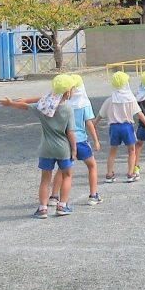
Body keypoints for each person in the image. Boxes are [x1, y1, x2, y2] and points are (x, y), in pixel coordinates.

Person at [0, 74, 77, 219]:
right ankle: (62, 205)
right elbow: (71, 132)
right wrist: (74, 149)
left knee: (45, 179)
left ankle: (42, 208)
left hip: (46, 148)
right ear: (68, 92)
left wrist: (10, 103)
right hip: (63, 148)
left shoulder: (43, 107)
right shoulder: (68, 109)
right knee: (67, 175)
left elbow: (26, 106)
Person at [51, 74, 102, 207]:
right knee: (92, 166)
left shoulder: (64, 102)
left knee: (62, 169)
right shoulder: (84, 103)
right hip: (81, 140)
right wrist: (96, 140)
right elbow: (89, 124)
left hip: (65, 140)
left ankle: (54, 196)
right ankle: (93, 195)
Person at [99, 71, 145, 183]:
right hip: (127, 127)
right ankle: (130, 173)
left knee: (112, 151)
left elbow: (100, 115)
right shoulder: (130, 98)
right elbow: (139, 113)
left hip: (114, 128)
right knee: (132, 151)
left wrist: (93, 126)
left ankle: (109, 174)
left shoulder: (110, 100)